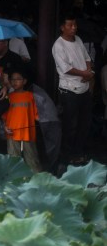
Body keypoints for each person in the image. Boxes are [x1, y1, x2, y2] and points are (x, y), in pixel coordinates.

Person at [52, 14, 93, 164]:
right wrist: (84, 73)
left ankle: (78, 152)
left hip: (84, 87)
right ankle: (67, 157)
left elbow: (87, 58)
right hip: (69, 91)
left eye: (75, 25)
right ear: (62, 27)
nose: (74, 27)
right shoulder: (58, 45)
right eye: (70, 25)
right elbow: (66, 68)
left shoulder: (79, 40)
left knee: (84, 123)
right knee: (70, 125)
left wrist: (88, 73)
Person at [3, 65, 42, 172]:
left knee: (32, 160)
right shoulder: (8, 97)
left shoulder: (31, 96)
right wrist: (5, 127)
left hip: (28, 132)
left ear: (25, 81)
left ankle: (36, 181)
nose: (15, 82)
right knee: (13, 160)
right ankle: (14, 183)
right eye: (12, 79)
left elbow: (37, 115)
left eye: (18, 79)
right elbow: (4, 116)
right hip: (12, 132)